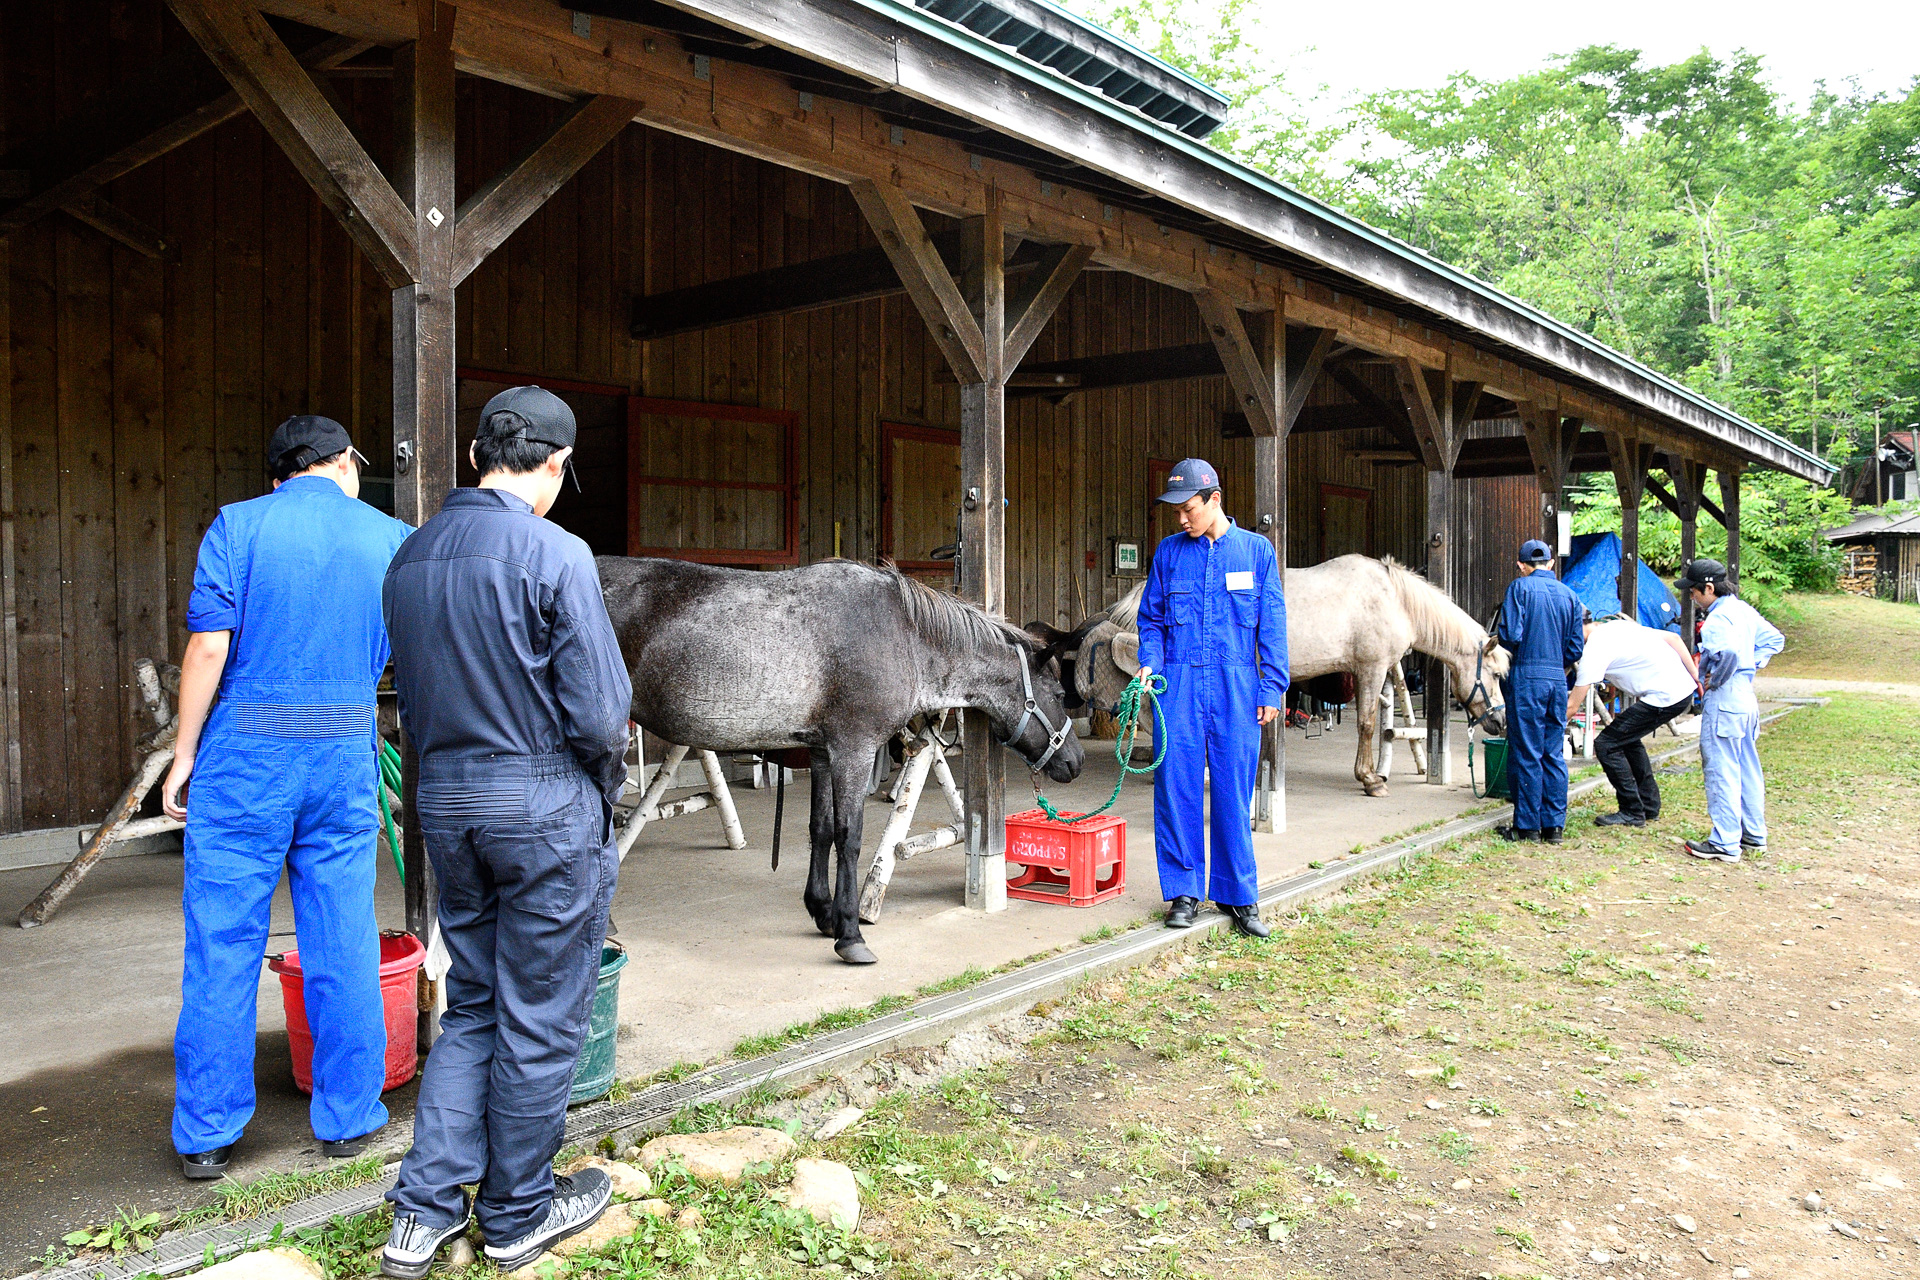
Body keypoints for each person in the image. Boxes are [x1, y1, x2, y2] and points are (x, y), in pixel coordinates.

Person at [380, 387, 633, 1278]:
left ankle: (421, 1212)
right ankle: (520, 1212)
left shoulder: (409, 557)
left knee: (477, 1003)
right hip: (540, 806)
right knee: (540, 1014)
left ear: (480, 455)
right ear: (555, 466)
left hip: (445, 804)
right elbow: (603, 716)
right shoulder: (556, 553)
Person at [161, 416, 409, 1180]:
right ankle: (349, 1117)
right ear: (342, 465)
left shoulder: (239, 524)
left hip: (247, 757)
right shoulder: (392, 536)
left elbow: (209, 645)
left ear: (279, 476)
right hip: (341, 748)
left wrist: (183, 757)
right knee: (342, 933)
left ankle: (208, 1134)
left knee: (223, 940)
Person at [1133, 458, 1287, 937]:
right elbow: (1151, 620)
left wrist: (1272, 686)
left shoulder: (1256, 553)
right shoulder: (1169, 553)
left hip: (1236, 685)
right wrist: (1149, 662)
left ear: (1214, 500)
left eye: (1189, 508)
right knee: (1175, 787)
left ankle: (1239, 895)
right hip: (1176, 684)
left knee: (1232, 791)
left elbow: (1273, 625)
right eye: (1175, 510)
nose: (1181, 518)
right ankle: (1184, 893)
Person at [1675, 558, 1783, 863]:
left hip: (1725, 697)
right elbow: (1775, 639)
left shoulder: (1717, 620)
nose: (1692, 599)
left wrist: (1716, 679)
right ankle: (1754, 834)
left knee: (1721, 768)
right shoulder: (1743, 610)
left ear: (1709, 588)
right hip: (1746, 697)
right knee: (1747, 765)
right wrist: (1754, 663)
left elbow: (1730, 653)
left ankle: (1724, 842)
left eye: (1694, 593)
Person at [1568, 615, 1698, 827]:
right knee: (1626, 739)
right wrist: (1694, 675)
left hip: (1664, 697)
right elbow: (1673, 638)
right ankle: (1648, 805)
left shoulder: (1594, 650)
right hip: (1681, 690)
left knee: (1606, 744)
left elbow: (1572, 707)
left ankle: (1631, 811)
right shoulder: (1616, 626)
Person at [1494, 539, 1585, 844]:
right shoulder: (1571, 596)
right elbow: (1575, 649)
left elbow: (1510, 635)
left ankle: (1528, 827)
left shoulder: (1519, 589)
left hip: (1526, 676)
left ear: (1521, 566)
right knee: (1553, 752)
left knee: (1527, 752)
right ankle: (1554, 827)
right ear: (1551, 564)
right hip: (1557, 680)